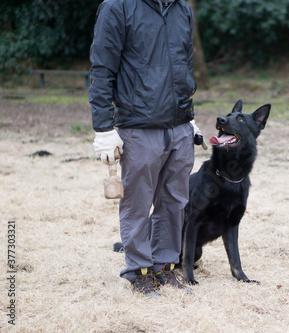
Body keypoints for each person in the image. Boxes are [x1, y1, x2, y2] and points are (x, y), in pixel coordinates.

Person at [89, 0, 201, 297]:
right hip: (138, 126)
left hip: (179, 125)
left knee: (175, 201)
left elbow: (183, 65)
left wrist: (190, 117)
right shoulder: (117, 7)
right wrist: (103, 128)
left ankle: (165, 266)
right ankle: (139, 271)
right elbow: (101, 70)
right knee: (137, 205)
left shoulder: (183, 9)